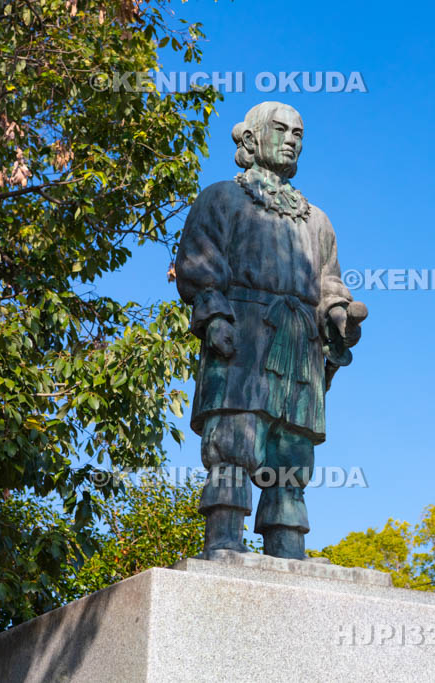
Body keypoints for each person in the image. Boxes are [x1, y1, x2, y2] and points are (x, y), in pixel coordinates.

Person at [175, 101, 366, 559]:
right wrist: (215, 314)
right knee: (235, 438)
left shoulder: (317, 220)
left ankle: (288, 544)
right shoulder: (221, 198)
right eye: (280, 129)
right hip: (244, 332)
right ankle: (223, 537)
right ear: (251, 139)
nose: (291, 138)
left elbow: (329, 283)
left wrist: (339, 316)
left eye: (298, 132)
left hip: (298, 343)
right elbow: (199, 262)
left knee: (291, 449)